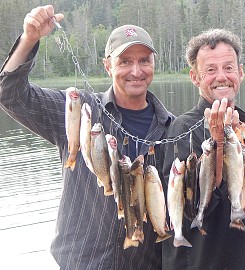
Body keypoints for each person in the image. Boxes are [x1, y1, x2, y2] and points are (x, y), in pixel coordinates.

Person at [0, 5, 174, 270]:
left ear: (153, 64)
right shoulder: (80, 111)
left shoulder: (173, 129)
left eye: (144, 61)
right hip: (81, 263)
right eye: (125, 61)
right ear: (107, 66)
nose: (136, 71)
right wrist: (30, 39)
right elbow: (10, 94)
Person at [161, 28, 245, 269]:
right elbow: (187, 208)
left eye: (229, 68)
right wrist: (218, 145)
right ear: (195, 77)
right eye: (210, 70)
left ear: (240, 73)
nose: (222, 76)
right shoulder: (183, 129)